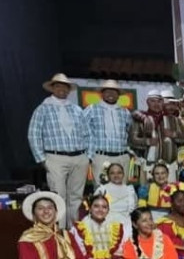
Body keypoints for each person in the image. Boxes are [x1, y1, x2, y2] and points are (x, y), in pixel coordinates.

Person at [28, 74, 89, 228]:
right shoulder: (43, 108)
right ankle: (60, 233)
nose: (62, 89)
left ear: (69, 90)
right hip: (56, 157)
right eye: (58, 86)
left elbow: (86, 132)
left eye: (65, 87)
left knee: (76, 196)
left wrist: (87, 155)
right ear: (53, 88)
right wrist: (41, 158)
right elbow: (33, 133)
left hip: (79, 156)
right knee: (58, 196)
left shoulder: (76, 109)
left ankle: (74, 231)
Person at [130, 90, 184, 184]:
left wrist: (173, 134)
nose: (156, 104)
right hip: (148, 166)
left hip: (170, 166)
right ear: (147, 102)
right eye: (153, 101)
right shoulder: (141, 120)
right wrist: (148, 142)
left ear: (163, 103)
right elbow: (132, 141)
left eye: (159, 101)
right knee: (151, 194)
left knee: (170, 193)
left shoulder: (173, 120)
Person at [85, 79, 133, 184]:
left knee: (121, 189)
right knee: (102, 190)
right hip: (101, 157)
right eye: (107, 91)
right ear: (102, 93)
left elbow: (131, 133)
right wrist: (88, 154)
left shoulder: (125, 112)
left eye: (114, 91)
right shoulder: (92, 109)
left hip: (121, 157)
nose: (111, 94)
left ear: (118, 94)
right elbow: (81, 131)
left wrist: (129, 152)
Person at [72, 194, 124, 259]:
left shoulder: (114, 227)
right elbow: (82, 256)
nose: (100, 210)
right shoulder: (81, 228)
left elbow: (117, 254)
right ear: (89, 208)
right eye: (96, 206)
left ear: (108, 210)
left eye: (104, 207)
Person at [94, 162, 138, 228]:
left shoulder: (130, 190)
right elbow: (94, 209)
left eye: (119, 173)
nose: (116, 175)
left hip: (127, 225)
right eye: (112, 173)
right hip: (106, 225)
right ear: (108, 175)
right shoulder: (102, 190)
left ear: (123, 174)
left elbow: (135, 208)